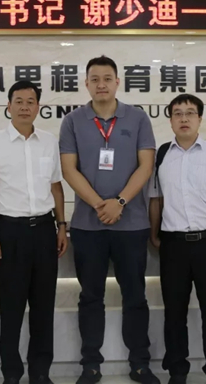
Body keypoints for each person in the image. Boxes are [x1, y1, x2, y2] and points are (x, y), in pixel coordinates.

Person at [59, 56, 159, 384]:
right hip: (88, 226)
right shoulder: (73, 121)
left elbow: (146, 166)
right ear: (86, 84)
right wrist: (100, 205)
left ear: (118, 82)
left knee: (135, 296)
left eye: (107, 78)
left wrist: (120, 202)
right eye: (95, 79)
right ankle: (90, 364)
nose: (101, 84)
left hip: (132, 225)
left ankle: (140, 363)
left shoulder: (138, 118)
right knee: (90, 297)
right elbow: (69, 169)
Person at [0, 80, 69, 384]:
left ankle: (40, 372)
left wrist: (61, 225)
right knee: (12, 309)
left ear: (38, 107)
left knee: (43, 308)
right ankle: (12, 374)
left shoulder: (49, 142)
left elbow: (56, 187)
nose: (25, 107)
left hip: (44, 231)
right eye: (19, 101)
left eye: (30, 102)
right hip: (9, 232)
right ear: (8, 106)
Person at [149, 94, 206, 384]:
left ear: (200, 119)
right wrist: (154, 234)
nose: (184, 118)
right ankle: (177, 372)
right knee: (174, 313)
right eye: (177, 113)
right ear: (170, 120)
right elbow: (155, 199)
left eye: (190, 113)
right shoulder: (162, 156)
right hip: (173, 245)